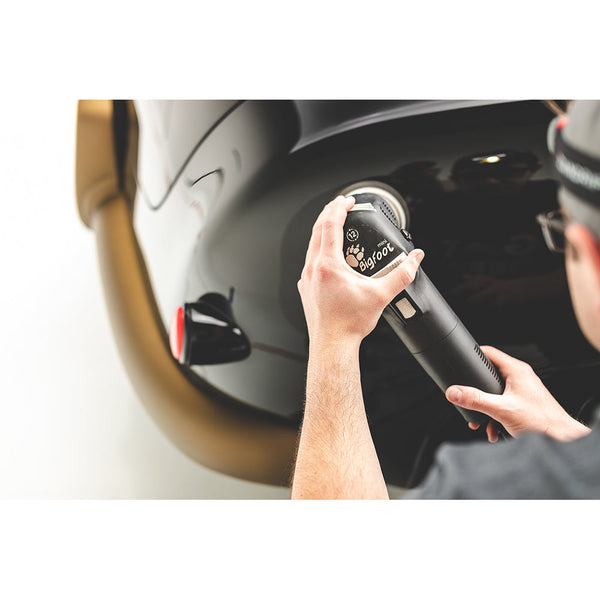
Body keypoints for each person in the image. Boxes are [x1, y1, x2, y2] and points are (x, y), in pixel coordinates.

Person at [291, 100, 600, 499]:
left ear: (587, 253)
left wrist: (331, 339)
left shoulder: (481, 491)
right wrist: (567, 439)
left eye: (558, 233)